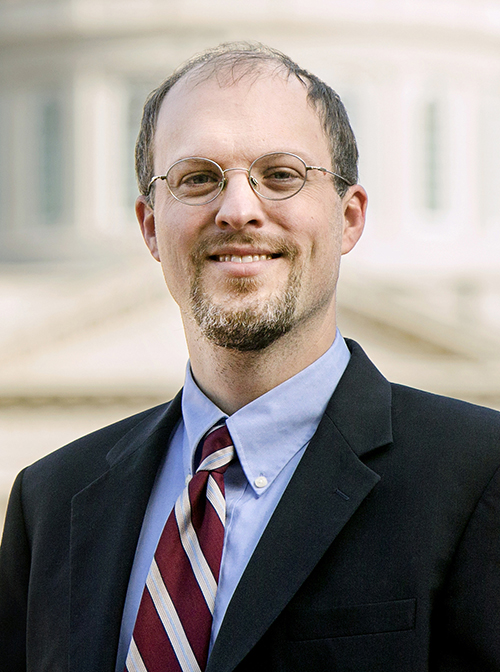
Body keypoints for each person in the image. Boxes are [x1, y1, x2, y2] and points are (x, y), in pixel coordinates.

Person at [1, 42, 500, 672]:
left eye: (282, 175)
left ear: (349, 218)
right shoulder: (51, 504)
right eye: (198, 179)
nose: (238, 210)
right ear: (151, 227)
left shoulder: (479, 478)